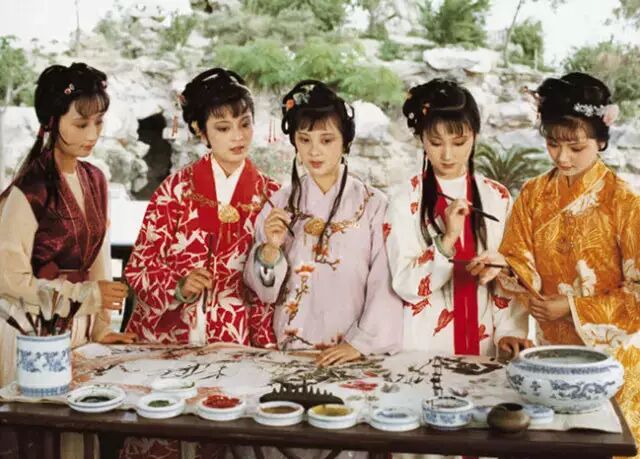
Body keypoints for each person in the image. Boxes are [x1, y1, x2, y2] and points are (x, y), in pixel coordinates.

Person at [473, 72, 640, 455]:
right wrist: (502, 266)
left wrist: (571, 306)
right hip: (549, 361)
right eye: (552, 144)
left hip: (611, 364)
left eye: (576, 147)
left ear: (601, 140)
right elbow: (521, 261)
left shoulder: (625, 202)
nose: (562, 157)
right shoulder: (534, 194)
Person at [0, 62, 134, 458]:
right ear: (51, 121)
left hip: (78, 327)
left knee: (77, 440)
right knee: (42, 441)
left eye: (98, 123)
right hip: (30, 329)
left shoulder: (95, 178)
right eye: (80, 124)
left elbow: (100, 257)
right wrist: (89, 296)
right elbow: (9, 279)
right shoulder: (30, 189)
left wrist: (102, 326)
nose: (92, 135)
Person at [244, 79, 402, 366]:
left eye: (326, 140)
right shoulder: (279, 204)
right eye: (305, 140)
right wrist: (270, 250)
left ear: (345, 142)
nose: (314, 151)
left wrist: (359, 343)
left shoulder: (373, 204)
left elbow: (384, 281)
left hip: (351, 349)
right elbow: (265, 294)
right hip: (292, 346)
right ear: (295, 142)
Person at [124, 67, 279, 347]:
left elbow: (280, 281)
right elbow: (139, 267)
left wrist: (270, 259)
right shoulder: (175, 191)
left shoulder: (271, 195)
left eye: (245, 124)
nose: (238, 136)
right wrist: (179, 286)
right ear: (200, 130)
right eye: (223, 128)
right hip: (170, 334)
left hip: (239, 336)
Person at [385, 79, 530, 357]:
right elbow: (405, 284)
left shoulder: (497, 197)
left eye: (459, 142)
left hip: (485, 345)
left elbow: (510, 270)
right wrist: (447, 239)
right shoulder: (405, 201)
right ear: (421, 140)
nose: (448, 154)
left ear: (475, 135)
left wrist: (510, 331)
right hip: (425, 347)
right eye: (435, 142)